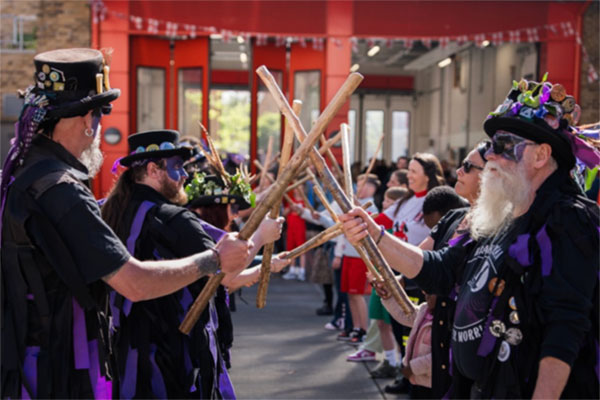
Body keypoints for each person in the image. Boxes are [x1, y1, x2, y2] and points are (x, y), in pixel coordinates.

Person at [0, 48, 250, 399]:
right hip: (55, 373)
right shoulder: (61, 190)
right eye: (101, 115)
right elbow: (134, 283)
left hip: (25, 365)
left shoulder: (18, 175)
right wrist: (213, 260)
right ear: (88, 119)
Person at [341, 77, 599, 398]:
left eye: (503, 146)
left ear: (541, 155)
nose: (491, 156)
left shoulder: (568, 218)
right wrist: (373, 234)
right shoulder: (499, 216)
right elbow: (441, 269)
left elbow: (566, 328)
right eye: (490, 146)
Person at [101, 130, 285, 398]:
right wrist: (261, 237)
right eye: (177, 167)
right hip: (170, 351)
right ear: (153, 170)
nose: (185, 175)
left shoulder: (111, 212)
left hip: (122, 343)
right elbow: (225, 270)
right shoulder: (173, 219)